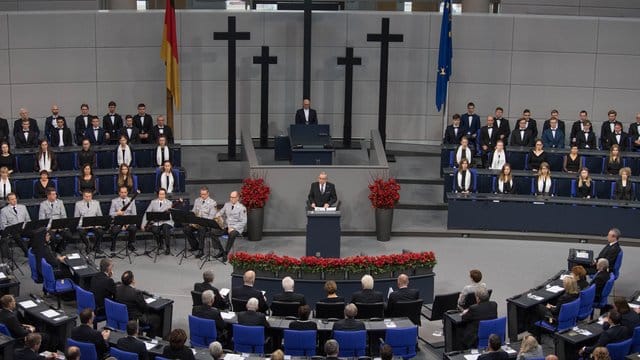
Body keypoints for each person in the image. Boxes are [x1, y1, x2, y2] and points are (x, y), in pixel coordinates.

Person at [115, 270, 162, 338]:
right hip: (135, 319)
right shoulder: (136, 293)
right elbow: (144, 308)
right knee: (156, 318)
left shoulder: (117, 289)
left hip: (122, 316)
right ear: (132, 280)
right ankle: (149, 339)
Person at [212, 191, 246, 262]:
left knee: (232, 234)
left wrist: (233, 228)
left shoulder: (242, 208)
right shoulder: (227, 205)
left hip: (236, 228)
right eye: (230, 197)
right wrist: (217, 215)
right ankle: (221, 251)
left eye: (233, 197)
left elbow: (243, 222)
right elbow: (220, 212)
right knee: (213, 232)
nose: (231, 199)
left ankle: (226, 253)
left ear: (237, 198)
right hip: (227, 226)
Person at [184, 186, 218, 258]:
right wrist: (192, 219)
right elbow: (193, 211)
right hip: (197, 222)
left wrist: (201, 221)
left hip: (206, 224)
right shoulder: (197, 200)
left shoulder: (213, 203)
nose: (202, 196)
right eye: (201, 194)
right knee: (186, 228)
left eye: (204, 194)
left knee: (201, 229)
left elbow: (211, 217)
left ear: (208, 194)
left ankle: (201, 250)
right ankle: (195, 246)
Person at [142, 188, 174, 255]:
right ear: (158, 195)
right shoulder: (153, 202)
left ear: (165, 195)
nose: (161, 196)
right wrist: (143, 224)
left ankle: (168, 247)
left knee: (165, 228)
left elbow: (171, 216)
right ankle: (160, 243)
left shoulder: (169, 202)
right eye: (160, 194)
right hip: (156, 222)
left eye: (163, 194)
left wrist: (166, 215)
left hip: (166, 221)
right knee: (154, 229)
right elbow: (147, 213)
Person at [0, 192, 31, 257]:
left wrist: (25, 226)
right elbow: (3, 225)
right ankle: (27, 253)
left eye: (15, 198)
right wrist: (11, 229)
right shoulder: (4, 211)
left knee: (37, 232)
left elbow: (28, 220)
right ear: (8, 201)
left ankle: (34, 250)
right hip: (13, 231)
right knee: (17, 236)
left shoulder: (23, 207)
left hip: (24, 228)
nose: (14, 200)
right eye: (12, 199)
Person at [109, 186, 138, 253]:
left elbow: (134, 214)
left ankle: (130, 244)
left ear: (127, 192)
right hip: (118, 222)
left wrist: (129, 223)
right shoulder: (114, 201)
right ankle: (113, 244)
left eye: (125, 192)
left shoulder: (131, 201)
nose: (123, 194)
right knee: (114, 230)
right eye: (122, 192)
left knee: (133, 229)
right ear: (119, 193)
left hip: (128, 222)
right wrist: (117, 213)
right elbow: (110, 214)